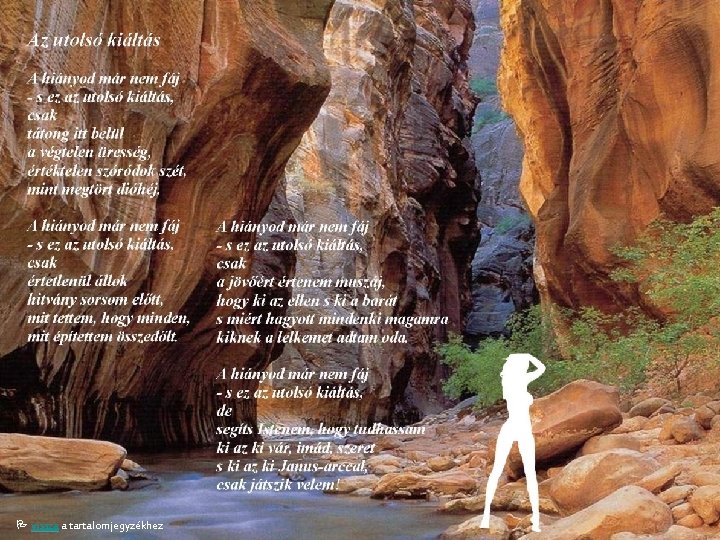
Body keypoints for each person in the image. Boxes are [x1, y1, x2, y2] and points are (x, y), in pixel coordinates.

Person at [480, 353, 546, 532]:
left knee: (497, 470)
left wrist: (524, 357)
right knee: (530, 473)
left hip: (512, 427)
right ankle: (536, 520)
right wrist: (530, 356)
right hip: (522, 428)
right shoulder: (521, 380)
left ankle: (486, 516)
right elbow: (542, 368)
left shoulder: (508, 381)